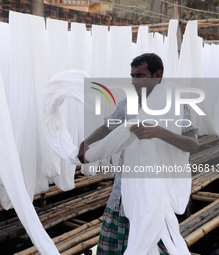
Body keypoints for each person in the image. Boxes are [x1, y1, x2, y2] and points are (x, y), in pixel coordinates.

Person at [78, 53, 199, 254]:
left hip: (155, 194)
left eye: (140, 75)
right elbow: (109, 126)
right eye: (132, 75)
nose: (134, 81)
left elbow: (193, 145)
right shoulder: (129, 103)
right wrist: (87, 143)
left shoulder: (177, 104)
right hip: (123, 191)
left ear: (157, 75)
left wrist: (159, 131)